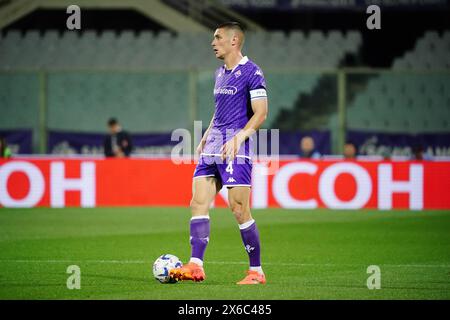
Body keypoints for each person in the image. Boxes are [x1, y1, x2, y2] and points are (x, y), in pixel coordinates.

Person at [169, 22, 268, 285]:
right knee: (197, 202)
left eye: (218, 37)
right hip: (214, 145)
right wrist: (207, 133)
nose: (213, 42)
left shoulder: (252, 72)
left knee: (238, 209)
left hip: (236, 147)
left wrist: (239, 137)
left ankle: (256, 272)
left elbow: (261, 112)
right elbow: (219, 109)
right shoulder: (219, 73)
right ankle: (195, 265)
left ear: (234, 40)